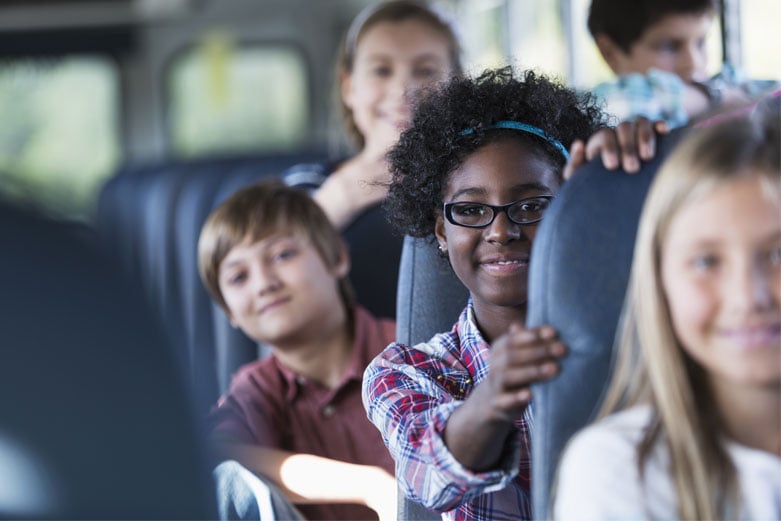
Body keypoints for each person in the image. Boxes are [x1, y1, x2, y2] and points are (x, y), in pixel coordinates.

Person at [362, 66, 606, 520]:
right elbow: (429, 475)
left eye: (531, 206)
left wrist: (634, 174)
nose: (500, 230)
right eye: (471, 210)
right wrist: (492, 397)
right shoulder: (409, 372)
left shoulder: (626, 337)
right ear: (440, 230)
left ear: (571, 210)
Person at [553, 104, 781, 519]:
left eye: (778, 254)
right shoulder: (619, 472)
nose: (750, 297)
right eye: (706, 262)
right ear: (660, 285)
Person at [197, 179, 397, 520]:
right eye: (239, 277)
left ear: (336, 257)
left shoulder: (405, 350)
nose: (264, 283)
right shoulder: (258, 389)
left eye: (282, 255)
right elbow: (215, 455)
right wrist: (369, 486)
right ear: (228, 311)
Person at [283, 0, 463, 318]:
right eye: (381, 70)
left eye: (426, 70)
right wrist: (341, 198)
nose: (403, 89)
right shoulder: (307, 185)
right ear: (349, 88)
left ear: (457, 85)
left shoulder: (475, 177)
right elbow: (273, 273)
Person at [587, 0, 778, 128]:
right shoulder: (603, 108)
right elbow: (616, 107)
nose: (693, 63)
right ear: (609, 52)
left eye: (701, 42)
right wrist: (714, 97)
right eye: (669, 47)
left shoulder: (724, 81)